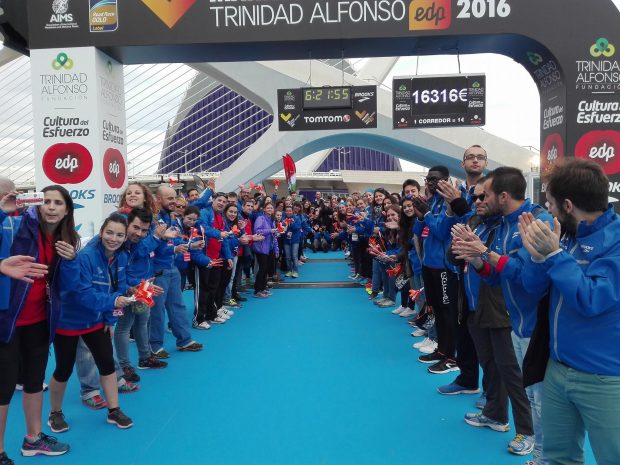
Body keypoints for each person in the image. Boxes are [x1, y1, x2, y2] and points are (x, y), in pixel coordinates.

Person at [518, 159, 620, 465]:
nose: (548, 212)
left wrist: (556, 256)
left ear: (567, 204)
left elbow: (591, 299)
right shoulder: (563, 235)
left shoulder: (615, 242)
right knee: (559, 457)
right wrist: (537, 258)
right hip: (558, 369)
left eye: (550, 205)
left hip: (604, 378)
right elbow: (532, 289)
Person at [452, 167, 552, 459]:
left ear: (503, 196)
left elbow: (529, 278)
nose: (479, 200)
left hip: (532, 324)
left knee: (529, 387)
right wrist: (478, 260)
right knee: (504, 372)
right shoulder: (501, 222)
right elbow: (497, 276)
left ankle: (532, 438)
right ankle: (503, 420)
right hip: (512, 318)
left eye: (486, 194)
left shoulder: (534, 221)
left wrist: (485, 255)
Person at [0, 184, 79, 461]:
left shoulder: (67, 239)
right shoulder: (18, 225)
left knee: (34, 381)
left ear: (67, 209)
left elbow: (66, 287)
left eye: (58, 202)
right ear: (38, 204)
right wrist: (1, 213)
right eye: (46, 201)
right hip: (6, 319)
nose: (51, 207)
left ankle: (33, 438)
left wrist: (70, 261)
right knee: (4, 387)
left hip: (39, 321)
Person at [48, 214, 134, 432]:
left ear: (125, 237)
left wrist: (109, 318)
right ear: (101, 231)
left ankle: (114, 410)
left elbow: (119, 288)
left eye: (119, 235)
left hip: (96, 320)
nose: (114, 238)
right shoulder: (86, 256)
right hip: (69, 321)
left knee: (106, 363)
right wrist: (114, 301)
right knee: (63, 369)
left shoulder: (121, 257)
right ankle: (55, 413)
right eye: (110, 232)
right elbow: (82, 295)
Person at [150, 185, 203, 359]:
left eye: (175, 198)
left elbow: (170, 243)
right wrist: (173, 249)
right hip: (158, 269)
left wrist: (181, 248)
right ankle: (155, 346)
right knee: (157, 310)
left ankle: (184, 340)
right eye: (169, 198)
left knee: (177, 306)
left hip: (171, 267)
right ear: (158, 199)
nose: (174, 201)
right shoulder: (154, 220)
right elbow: (153, 248)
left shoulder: (169, 218)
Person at [252, 203, 277, 298]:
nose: (270, 209)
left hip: (269, 248)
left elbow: (272, 231)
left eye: (271, 208)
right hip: (261, 248)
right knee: (262, 269)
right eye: (268, 208)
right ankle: (257, 290)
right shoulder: (260, 218)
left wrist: (275, 233)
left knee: (265, 269)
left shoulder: (271, 220)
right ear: (264, 209)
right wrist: (271, 231)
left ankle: (262, 288)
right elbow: (257, 231)